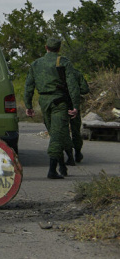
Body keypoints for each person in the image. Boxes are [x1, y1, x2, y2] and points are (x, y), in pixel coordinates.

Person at [24, 37, 81, 179]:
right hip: (59, 102)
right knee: (57, 135)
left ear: (46, 47)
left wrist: (28, 105)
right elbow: (73, 85)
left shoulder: (35, 64)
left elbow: (29, 86)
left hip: (44, 102)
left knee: (56, 132)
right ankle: (52, 170)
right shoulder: (63, 62)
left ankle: (62, 166)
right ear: (59, 48)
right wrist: (75, 105)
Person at [67, 67, 90, 164]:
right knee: (76, 131)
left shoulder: (54, 73)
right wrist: (76, 89)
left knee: (63, 132)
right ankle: (77, 152)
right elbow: (85, 89)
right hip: (74, 104)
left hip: (60, 106)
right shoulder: (76, 72)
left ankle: (69, 155)